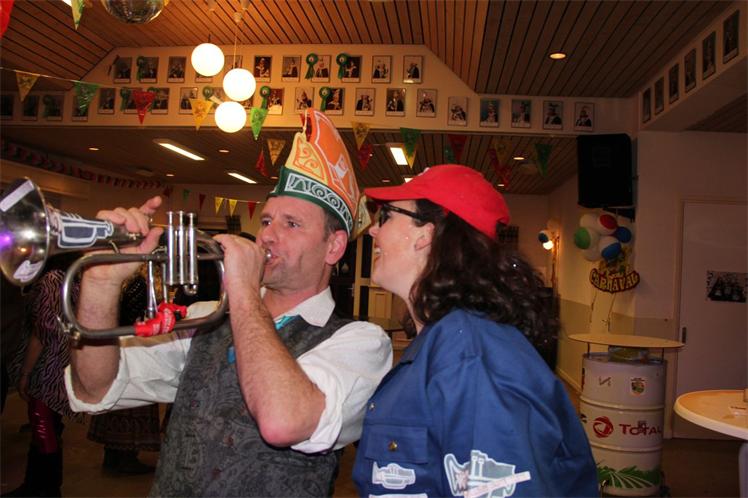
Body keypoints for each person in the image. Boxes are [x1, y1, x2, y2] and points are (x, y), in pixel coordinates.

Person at [65, 109, 392, 497]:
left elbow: (283, 422)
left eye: (291, 224)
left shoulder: (363, 343)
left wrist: (242, 290)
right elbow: (94, 387)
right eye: (266, 221)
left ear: (334, 246)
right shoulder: (206, 316)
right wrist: (101, 282)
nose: (267, 236)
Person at [353, 164, 599, 497]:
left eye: (386, 217)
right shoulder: (447, 342)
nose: (372, 231)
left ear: (425, 235)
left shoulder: (470, 358)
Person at [6, 255, 85, 497]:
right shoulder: (71, 280)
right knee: (50, 427)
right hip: (64, 362)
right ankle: (36, 484)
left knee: (43, 427)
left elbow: (42, 333)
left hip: (47, 367)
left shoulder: (51, 280)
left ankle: (46, 488)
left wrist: (25, 373)